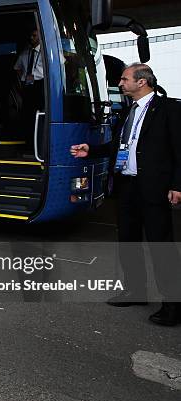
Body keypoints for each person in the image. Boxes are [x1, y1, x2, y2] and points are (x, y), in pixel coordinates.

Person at [71, 63, 181, 326]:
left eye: (124, 79)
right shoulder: (129, 112)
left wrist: (177, 185)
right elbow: (119, 146)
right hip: (128, 187)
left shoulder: (169, 109)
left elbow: (180, 149)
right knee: (129, 242)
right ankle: (136, 291)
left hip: (154, 187)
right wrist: (92, 150)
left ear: (142, 82)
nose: (120, 83)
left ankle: (174, 306)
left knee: (160, 245)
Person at [14, 29, 45, 146]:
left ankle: (38, 141)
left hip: (40, 84)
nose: (32, 38)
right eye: (31, 35)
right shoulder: (25, 53)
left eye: (34, 35)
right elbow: (17, 68)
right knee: (27, 114)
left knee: (39, 112)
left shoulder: (46, 52)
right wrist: (22, 79)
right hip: (27, 86)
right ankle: (27, 141)